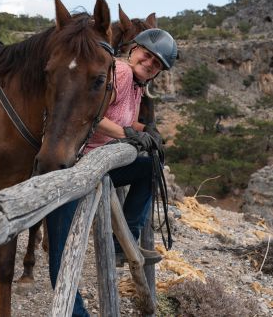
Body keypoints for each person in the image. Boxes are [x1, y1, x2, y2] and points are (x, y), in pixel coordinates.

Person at [46, 28, 178, 317]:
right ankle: (74, 311)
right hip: (73, 164)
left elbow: (124, 118)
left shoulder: (137, 86)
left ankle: (124, 238)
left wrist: (147, 131)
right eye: (147, 55)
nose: (150, 63)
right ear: (133, 50)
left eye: (157, 63)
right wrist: (127, 133)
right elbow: (90, 114)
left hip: (99, 166)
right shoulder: (119, 73)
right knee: (63, 248)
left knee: (149, 168)